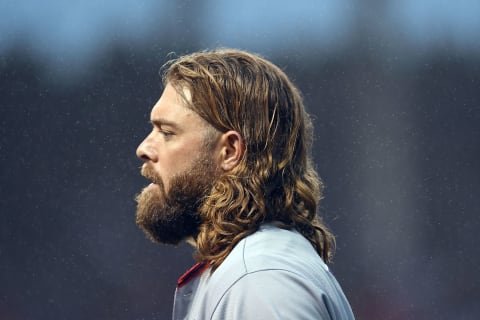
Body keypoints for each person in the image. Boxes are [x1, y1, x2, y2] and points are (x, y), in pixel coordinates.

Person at [135, 48, 354, 320]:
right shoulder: (255, 273)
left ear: (229, 152)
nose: (143, 148)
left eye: (167, 132)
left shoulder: (260, 282)